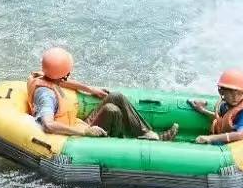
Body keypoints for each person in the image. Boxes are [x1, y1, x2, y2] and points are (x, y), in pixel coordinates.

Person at [28, 47, 178, 140]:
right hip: (75, 133)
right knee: (111, 110)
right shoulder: (46, 95)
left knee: (116, 97)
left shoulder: (43, 76)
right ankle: (133, 141)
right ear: (63, 73)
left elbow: (58, 81)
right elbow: (48, 125)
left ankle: (148, 134)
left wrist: (90, 89)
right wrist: (84, 133)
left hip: (79, 124)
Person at [189, 69, 243, 145]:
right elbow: (223, 121)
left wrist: (210, 138)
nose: (235, 98)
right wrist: (202, 110)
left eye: (240, 93)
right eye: (231, 93)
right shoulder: (225, 105)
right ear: (221, 91)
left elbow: (240, 135)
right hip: (230, 141)